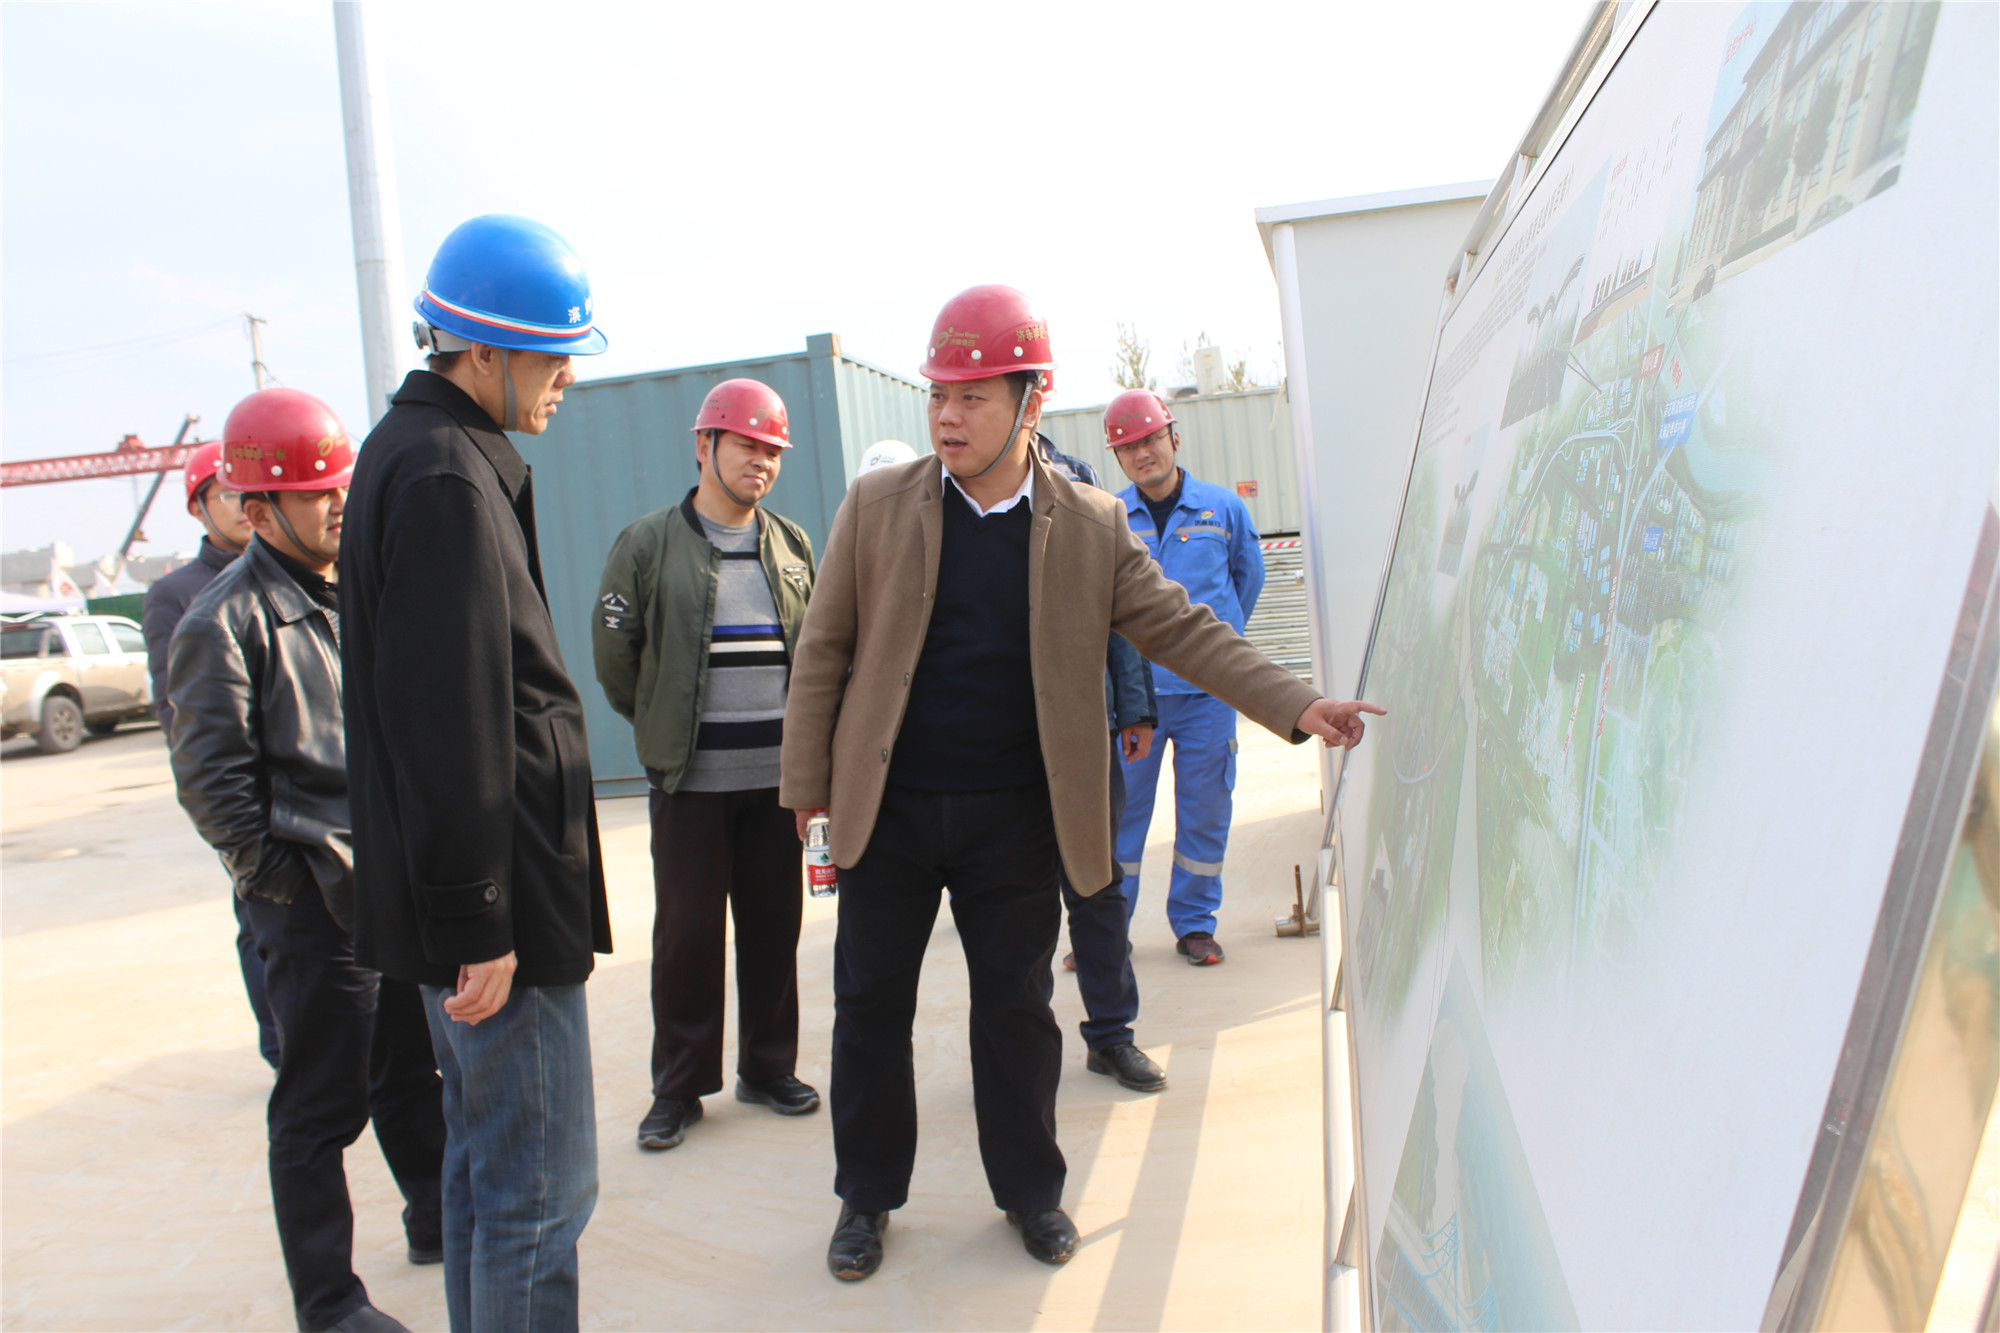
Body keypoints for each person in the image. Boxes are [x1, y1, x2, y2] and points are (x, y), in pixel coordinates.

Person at [779, 285, 1383, 1282]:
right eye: (938, 394)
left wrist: (1296, 702)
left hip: (1016, 816)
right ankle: (866, 1196)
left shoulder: (1090, 524)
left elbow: (1184, 627)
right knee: (870, 1006)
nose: (946, 416)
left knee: (1016, 1009)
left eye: (972, 396)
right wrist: (808, 788)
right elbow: (823, 649)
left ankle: (1029, 1191)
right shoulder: (877, 507)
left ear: (1031, 400)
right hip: (887, 811)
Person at [340, 214, 612, 1333]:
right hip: (497, 915)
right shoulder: (444, 476)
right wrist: (479, 918)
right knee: (538, 1195)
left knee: (483, 1175)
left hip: (474, 901)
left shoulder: (418, 454)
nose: (566, 377)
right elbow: (446, 721)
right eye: (552, 355)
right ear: (485, 351)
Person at [168, 387, 444, 1333]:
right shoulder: (222, 623)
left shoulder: (355, 589)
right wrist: (291, 887)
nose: (337, 505)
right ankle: (329, 1302)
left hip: (390, 889)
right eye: (314, 491)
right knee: (319, 1110)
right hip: (315, 905)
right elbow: (215, 789)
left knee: (410, 1073)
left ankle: (436, 1216)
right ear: (256, 509)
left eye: (341, 486)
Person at [593, 377, 820, 1152]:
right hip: (690, 782)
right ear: (704, 444)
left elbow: (816, 654)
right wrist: (664, 727)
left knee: (774, 927)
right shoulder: (648, 543)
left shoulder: (791, 545)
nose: (761, 461)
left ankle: (769, 1066)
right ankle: (680, 1086)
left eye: (772, 451)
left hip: (777, 783)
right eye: (747, 445)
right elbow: (616, 659)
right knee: (687, 937)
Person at [1103, 389, 1265, 966]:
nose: (1142, 453)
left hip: (1208, 697)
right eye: (1128, 447)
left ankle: (1196, 924)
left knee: (1204, 811)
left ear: (1174, 437)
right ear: (1118, 458)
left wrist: (1216, 654)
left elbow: (1246, 582)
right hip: (1136, 702)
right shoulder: (1109, 517)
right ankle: (1107, 928)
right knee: (1120, 817)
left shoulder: (1223, 509)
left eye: (1150, 439)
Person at [1035, 432, 1167, 1094]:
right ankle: (1016, 1047)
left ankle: (1112, 1035)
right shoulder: (967, 508)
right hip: (1003, 748)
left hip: (1086, 738)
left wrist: (1135, 709)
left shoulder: (1079, 493)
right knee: (1011, 904)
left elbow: (1123, 622)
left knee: (1096, 887)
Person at [143, 439, 278, 1068]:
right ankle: (282, 1045)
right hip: (251, 793)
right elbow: (178, 709)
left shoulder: (293, 571)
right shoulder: (180, 594)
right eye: (225, 494)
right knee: (263, 921)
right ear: (198, 507)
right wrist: (236, 819)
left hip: (318, 786)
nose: (241, 504)